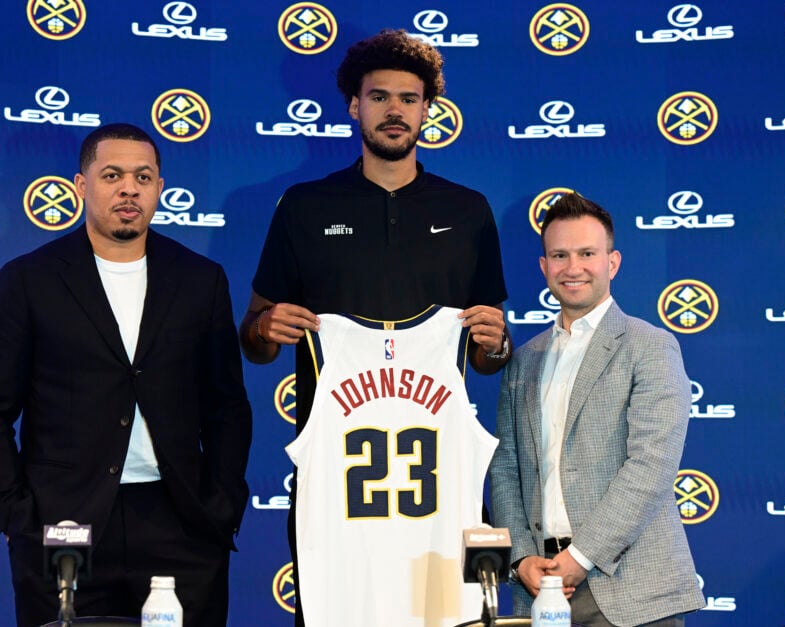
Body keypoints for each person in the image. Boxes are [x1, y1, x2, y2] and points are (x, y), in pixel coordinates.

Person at [239, 29, 510, 626]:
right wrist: (264, 329)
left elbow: (490, 352)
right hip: (333, 482)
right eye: (379, 96)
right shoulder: (305, 206)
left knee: (445, 616)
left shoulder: (467, 210)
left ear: (427, 109)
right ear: (353, 106)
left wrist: (497, 342)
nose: (394, 110)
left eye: (408, 99)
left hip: (438, 484)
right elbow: (254, 340)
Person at [0, 123, 252, 627]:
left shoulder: (200, 279)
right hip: (62, 522)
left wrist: (222, 503)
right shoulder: (27, 280)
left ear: (159, 187)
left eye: (143, 177)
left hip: (181, 520)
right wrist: (16, 515)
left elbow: (226, 405)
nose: (129, 189)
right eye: (112, 175)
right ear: (82, 185)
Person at [489, 192, 705, 626]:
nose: (573, 267)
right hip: (540, 590)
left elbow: (651, 465)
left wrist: (582, 556)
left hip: (633, 593)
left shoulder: (650, 347)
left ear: (613, 262)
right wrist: (521, 558)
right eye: (560, 255)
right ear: (544, 266)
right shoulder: (523, 361)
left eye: (587, 253)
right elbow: (506, 468)